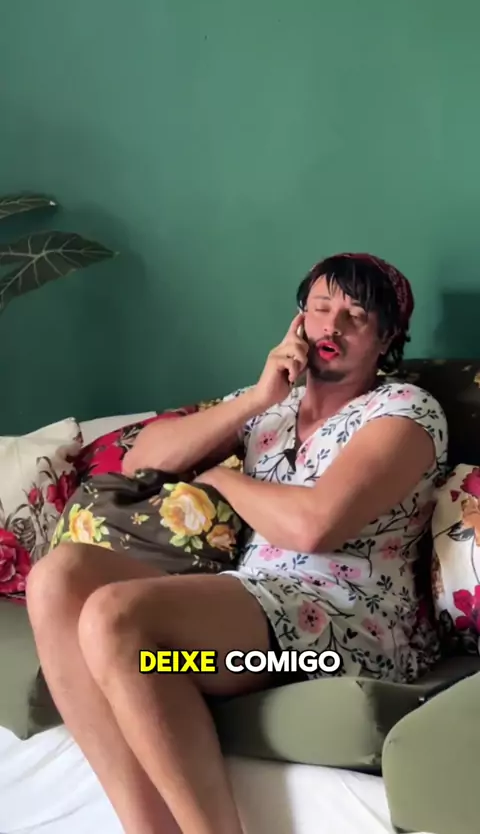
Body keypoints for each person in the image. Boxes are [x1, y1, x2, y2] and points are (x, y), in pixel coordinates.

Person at [26, 252, 448, 834]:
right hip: (247, 622)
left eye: (356, 316)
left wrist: (222, 478)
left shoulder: (405, 410)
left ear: (387, 337)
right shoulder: (269, 408)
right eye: (321, 308)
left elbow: (312, 527)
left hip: (339, 638)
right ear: (298, 320)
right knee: (58, 578)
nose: (333, 325)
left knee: (115, 617)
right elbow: (140, 459)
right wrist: (256, 400)